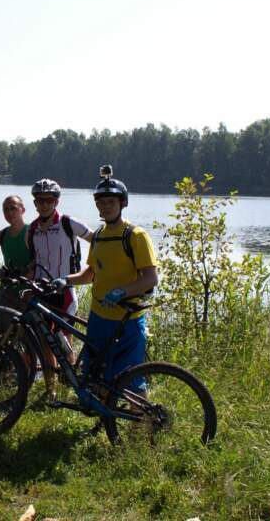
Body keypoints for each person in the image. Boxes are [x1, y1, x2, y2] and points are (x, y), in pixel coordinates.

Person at [60, 166, 158, 392]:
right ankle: (107, 420)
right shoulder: (99, 237)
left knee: (131, 379)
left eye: (111, 202)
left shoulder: (135, 236)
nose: (105, 207)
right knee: (97, 375)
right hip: (98, 317)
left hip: (128, 319)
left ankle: (142, 421)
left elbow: (150, 278)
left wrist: (121, 291)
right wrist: (64, 280)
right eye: (101, 203)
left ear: (122, 203)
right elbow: (90, 274)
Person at [26, 178, 92, 398]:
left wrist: (95, 268)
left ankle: (70, 388)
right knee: (45, 343)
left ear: (56, 201)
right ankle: (51, 391)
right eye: (40, 200)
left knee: (64, 342)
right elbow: (34, 261)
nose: (44, 204)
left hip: (65, 292)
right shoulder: (32, 229)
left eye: (49, 200)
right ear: (35, 202)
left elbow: (97, 240)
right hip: (42, 292)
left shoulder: (67, 223)